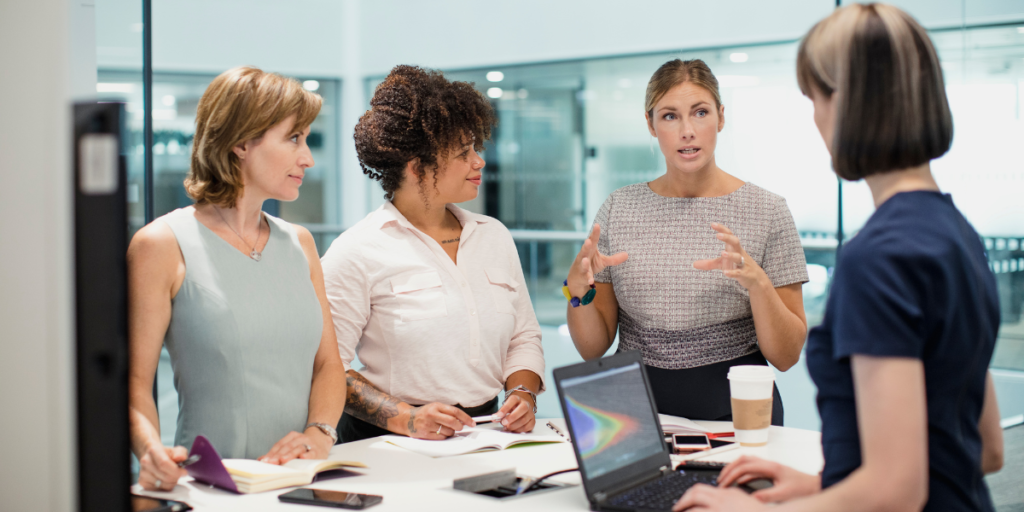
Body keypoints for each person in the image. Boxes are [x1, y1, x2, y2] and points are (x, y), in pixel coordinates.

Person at [674, 4, 1004, 511]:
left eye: (815, 98)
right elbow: (983, 449)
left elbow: (896, 491)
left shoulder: (880, 258)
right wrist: (823, 483)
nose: (815, 117)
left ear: (854, 103)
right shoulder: (957, 235)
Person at [128, 66, 346, 491]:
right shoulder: (160, 243)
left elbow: (329, 365)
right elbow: (134, 382)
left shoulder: (299, 242)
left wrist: (319, 436)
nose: (308, 157)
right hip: (211, 488)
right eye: (294, 138)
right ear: (242, 142)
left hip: (301, 484)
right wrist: (149, 450)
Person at [566, 59, 808, 424]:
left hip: (737, 403)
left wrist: (758, 284)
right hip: (634, 410)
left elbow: (787, 356)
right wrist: (575, 289)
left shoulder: (768, 210)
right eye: (669, 116)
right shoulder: (619, 207)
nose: (687, 131)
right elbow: (592, 348)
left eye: (700, 113)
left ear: (721, 118)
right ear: (650, 124)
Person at [321, 65, 545, 443]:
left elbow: (524, 337)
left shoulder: (493, 236)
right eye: (462, 153)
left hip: (486, 434)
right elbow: (327, 368)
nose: (479, 161)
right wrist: (408, 418)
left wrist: (523, 395)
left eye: (475, 147)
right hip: (386, 441)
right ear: (416, 168)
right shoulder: (357, 250)